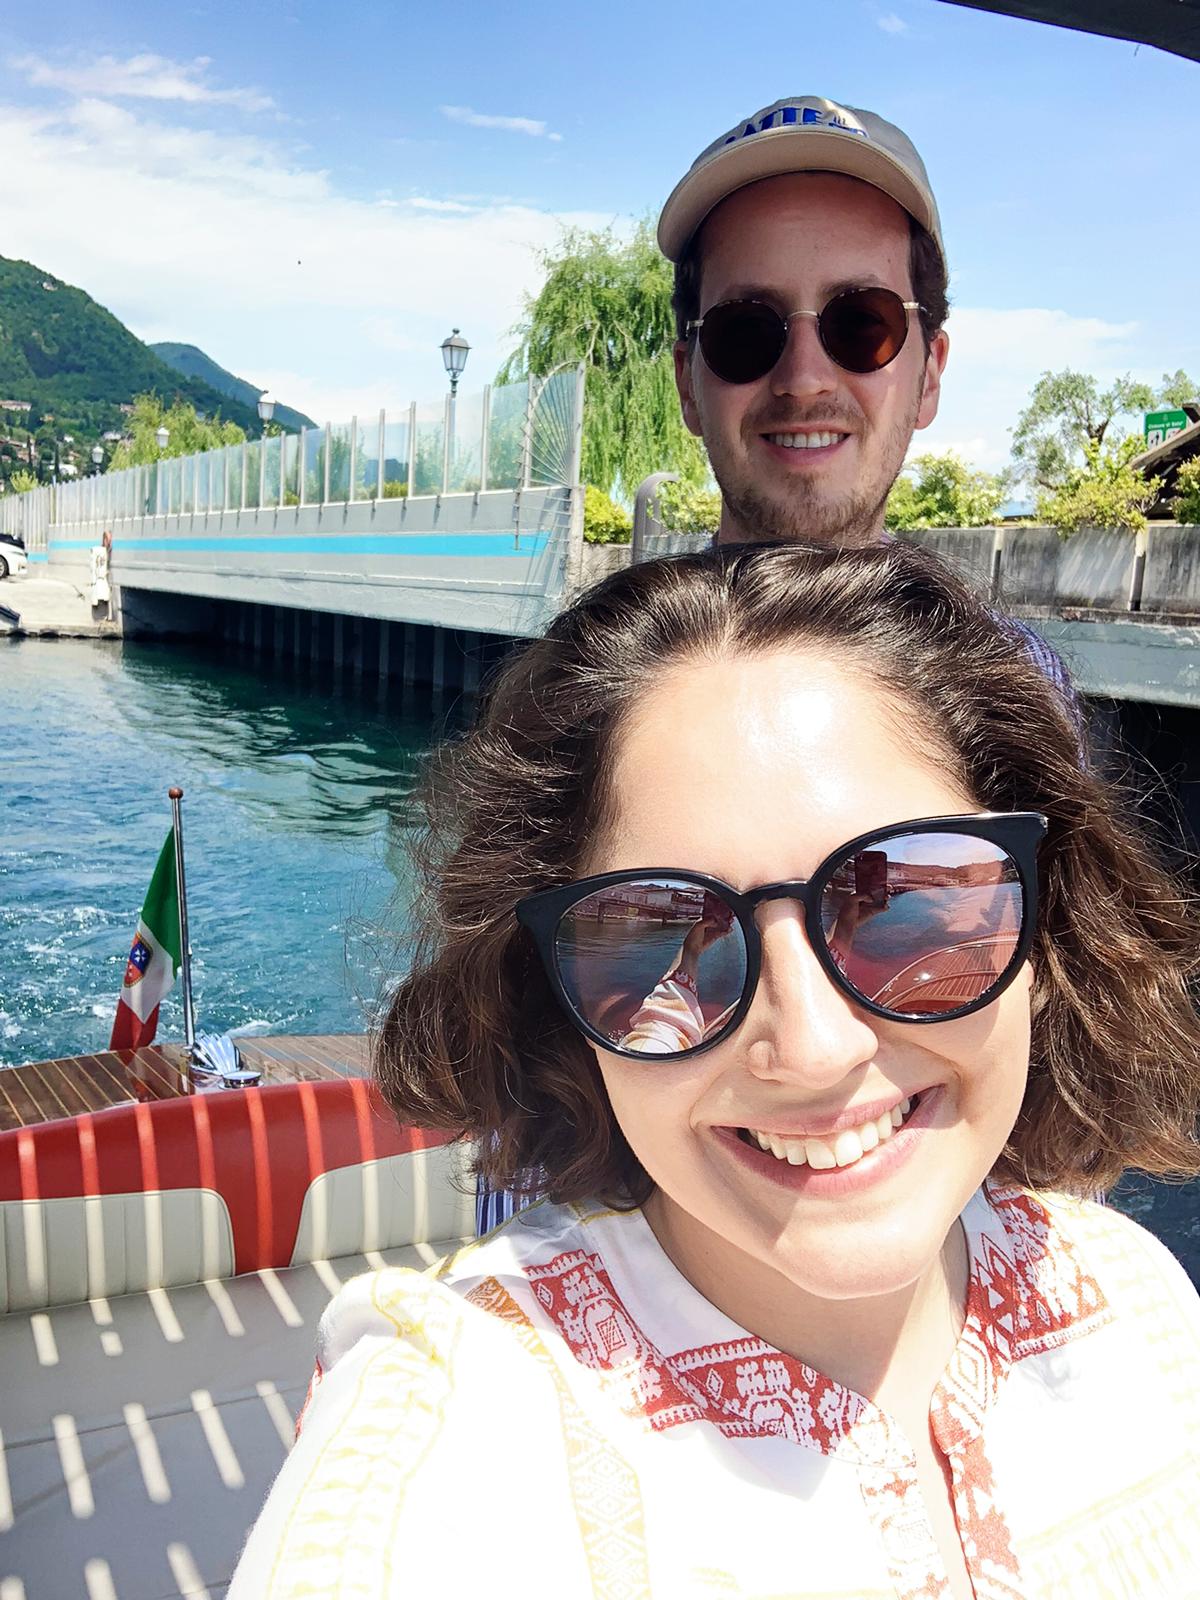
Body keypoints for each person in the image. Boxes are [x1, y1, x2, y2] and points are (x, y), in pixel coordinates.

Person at [229, 542, 1200, 1599]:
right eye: (661, 943)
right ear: (560, 1012)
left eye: (914, 908)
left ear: (1045, 930)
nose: (816, 1049)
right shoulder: (458, 1421)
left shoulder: (1136, 1295)